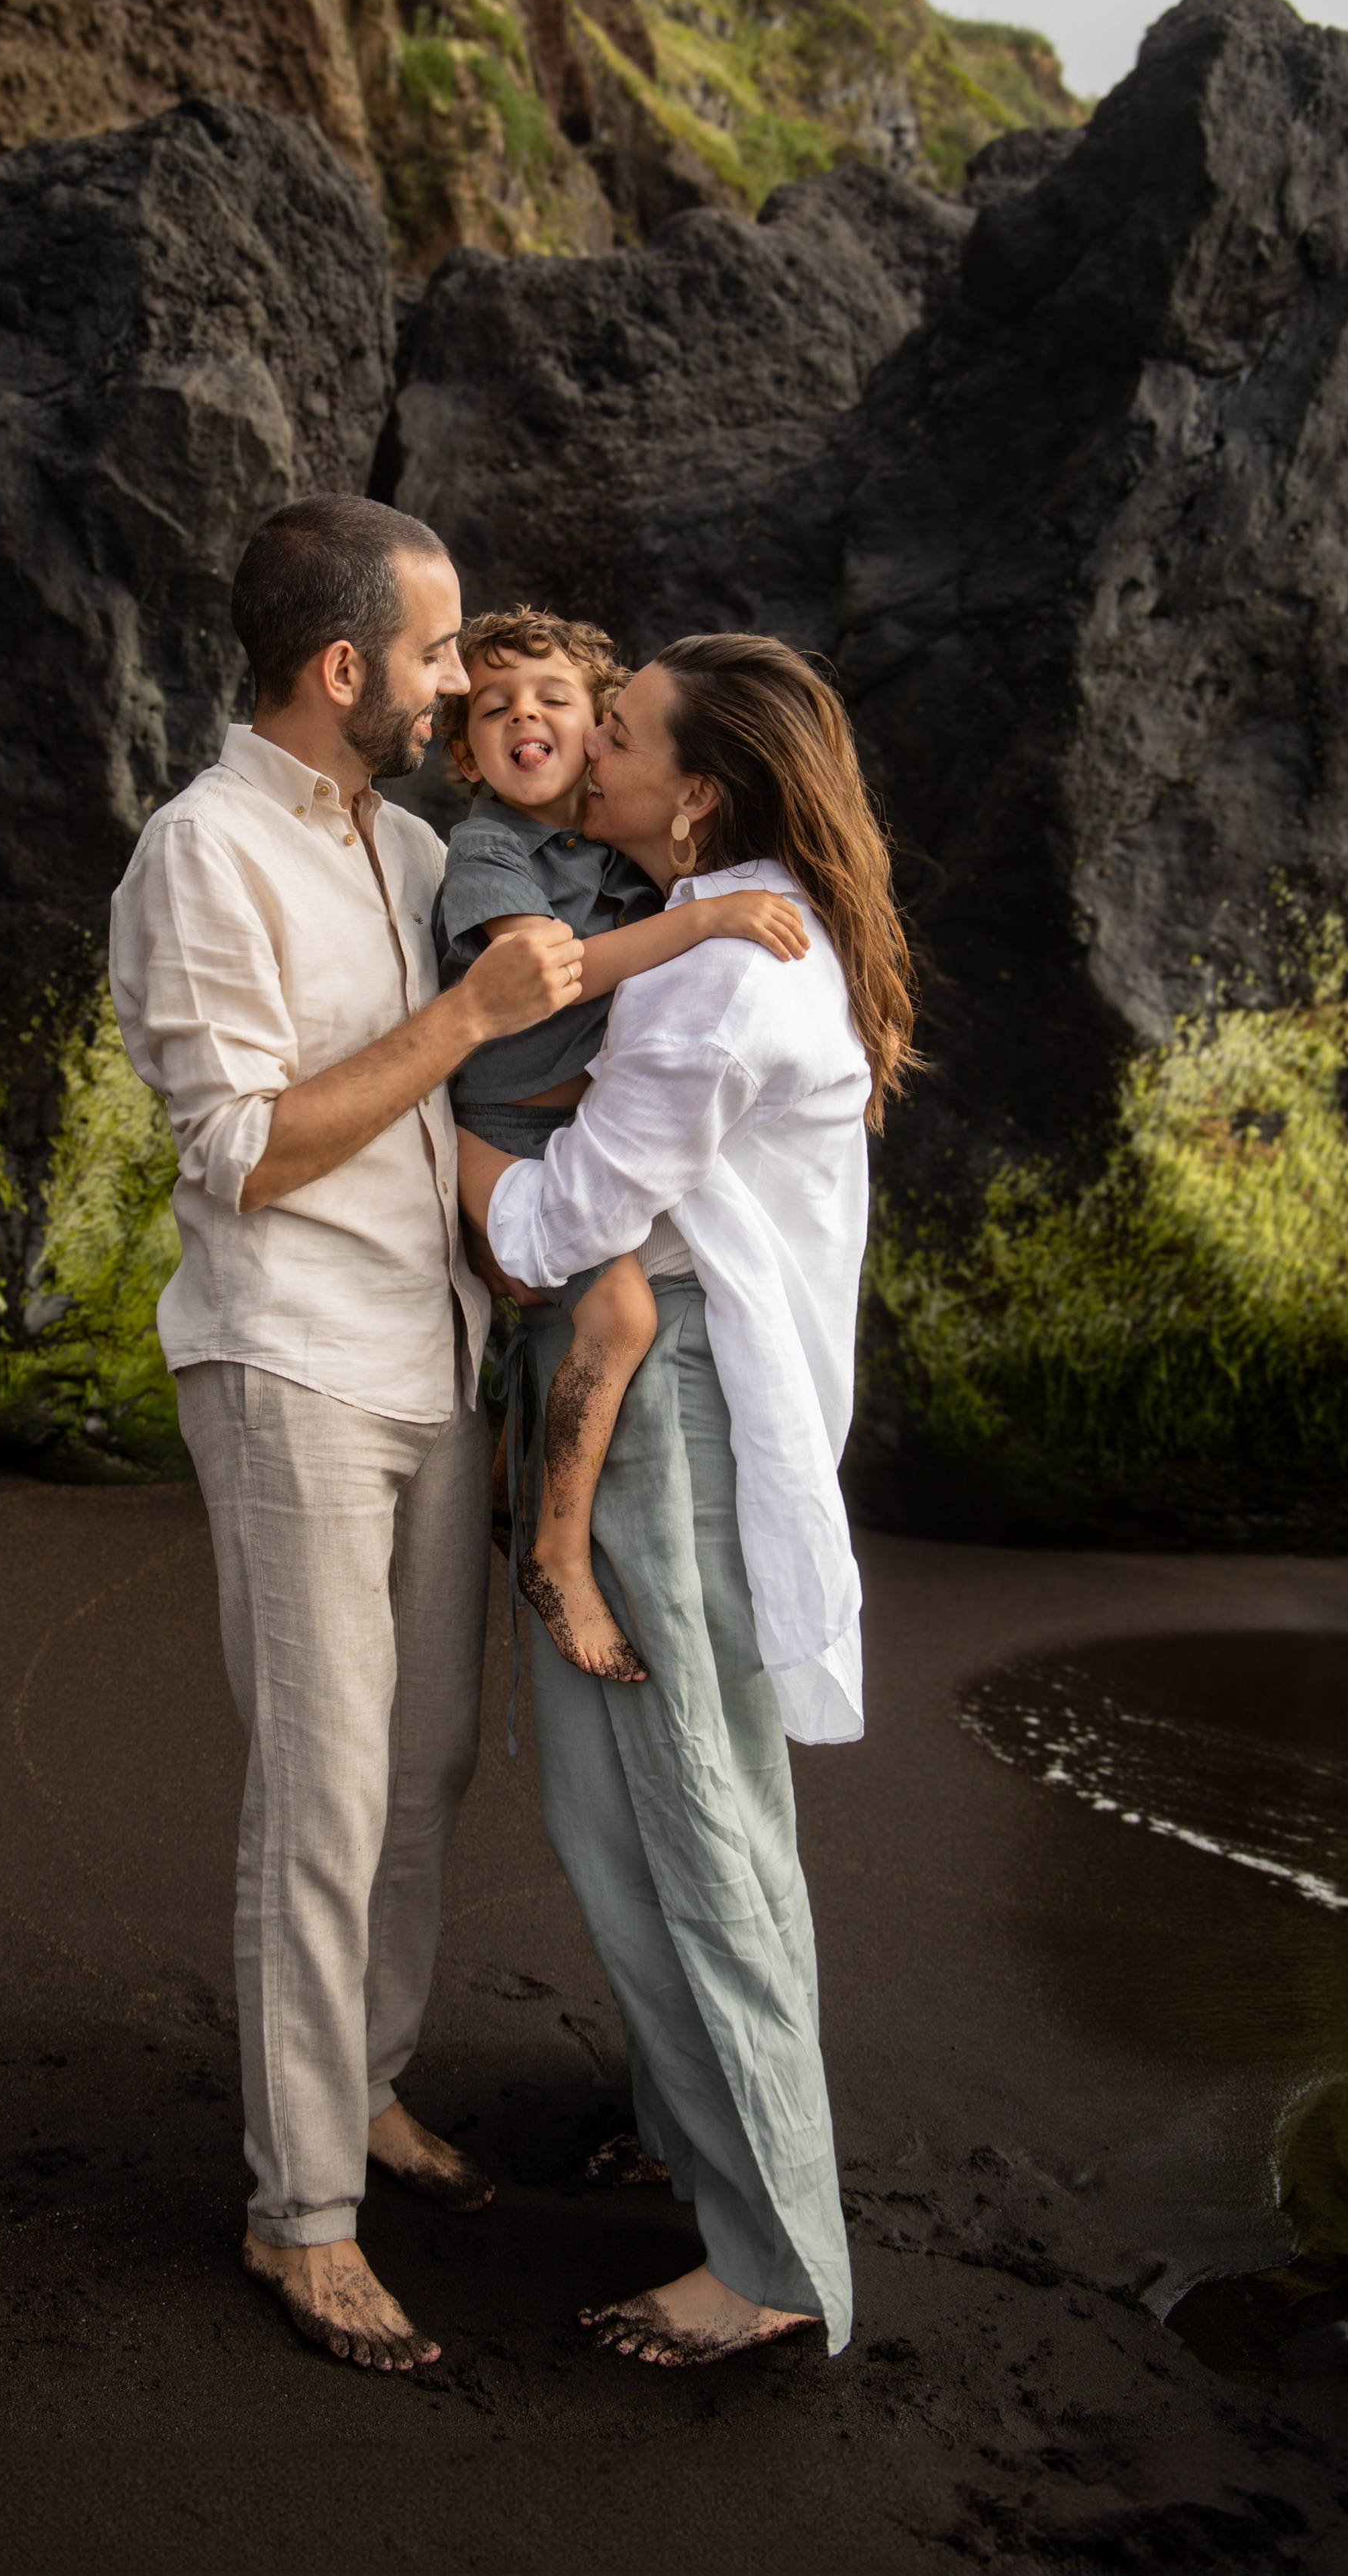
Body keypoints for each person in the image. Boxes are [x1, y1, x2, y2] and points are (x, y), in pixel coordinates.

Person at [109, 493, 585, 2375]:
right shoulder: (198, 852)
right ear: (340, 670)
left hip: (429, 1353)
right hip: (288, 1361)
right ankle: (299, 2209)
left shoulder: (413, 839)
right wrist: (463, 1010)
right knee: (318, 1794)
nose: (460, 678)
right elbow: (242, 1152)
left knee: (431, 1760)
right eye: (436, 649)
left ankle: (369, 2082)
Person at [457, 633, 916, 2370]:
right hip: (693, 1406)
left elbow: (557, 1229)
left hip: (670, 1423)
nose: (591, 756)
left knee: (679, 1825)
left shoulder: (721, 972)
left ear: (699, 787)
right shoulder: (744, 932)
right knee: (666, 1813)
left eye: (624, 733)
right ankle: (688, 2132)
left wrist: (452, 1140)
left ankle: (778, 2255)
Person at [432, 605, 808, 1683]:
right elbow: (545, 977)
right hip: (503, 1124)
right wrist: (702, 919)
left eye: (555, 700)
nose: (526, 718)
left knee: (571, 1320)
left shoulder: (618, 857)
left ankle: (517, 1494)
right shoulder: (489, 846)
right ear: (465, 750)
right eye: (493, 708)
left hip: (568, 1130)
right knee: (620, 1310)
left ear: (599, 729)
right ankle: (556, 1553)